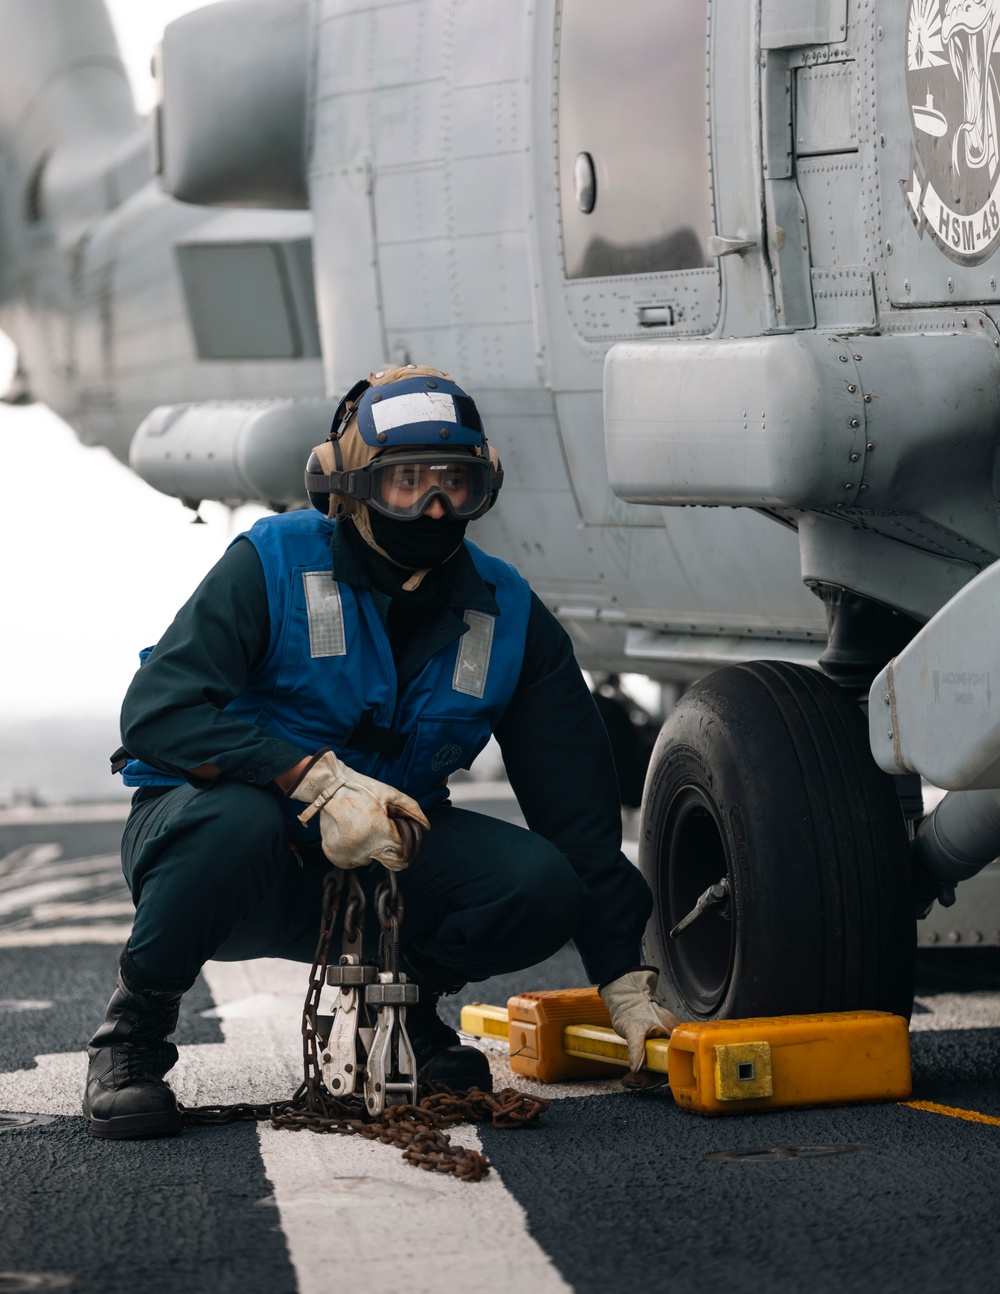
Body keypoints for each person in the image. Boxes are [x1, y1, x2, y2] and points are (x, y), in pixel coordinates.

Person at [84, 365, 678, 1140]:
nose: (435, 507)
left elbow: (580, 815)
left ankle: (399, 1005)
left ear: (484, 487)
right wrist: (311, 779)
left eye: (455, 484)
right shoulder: (271, 563)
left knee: (541, 884)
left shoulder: (506, 614)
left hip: (381, 864)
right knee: (234, 823)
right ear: (349, 487)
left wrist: (621, 978)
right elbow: (157, 714)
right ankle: (132, 1036)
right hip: (229, 863)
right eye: (407, 484)